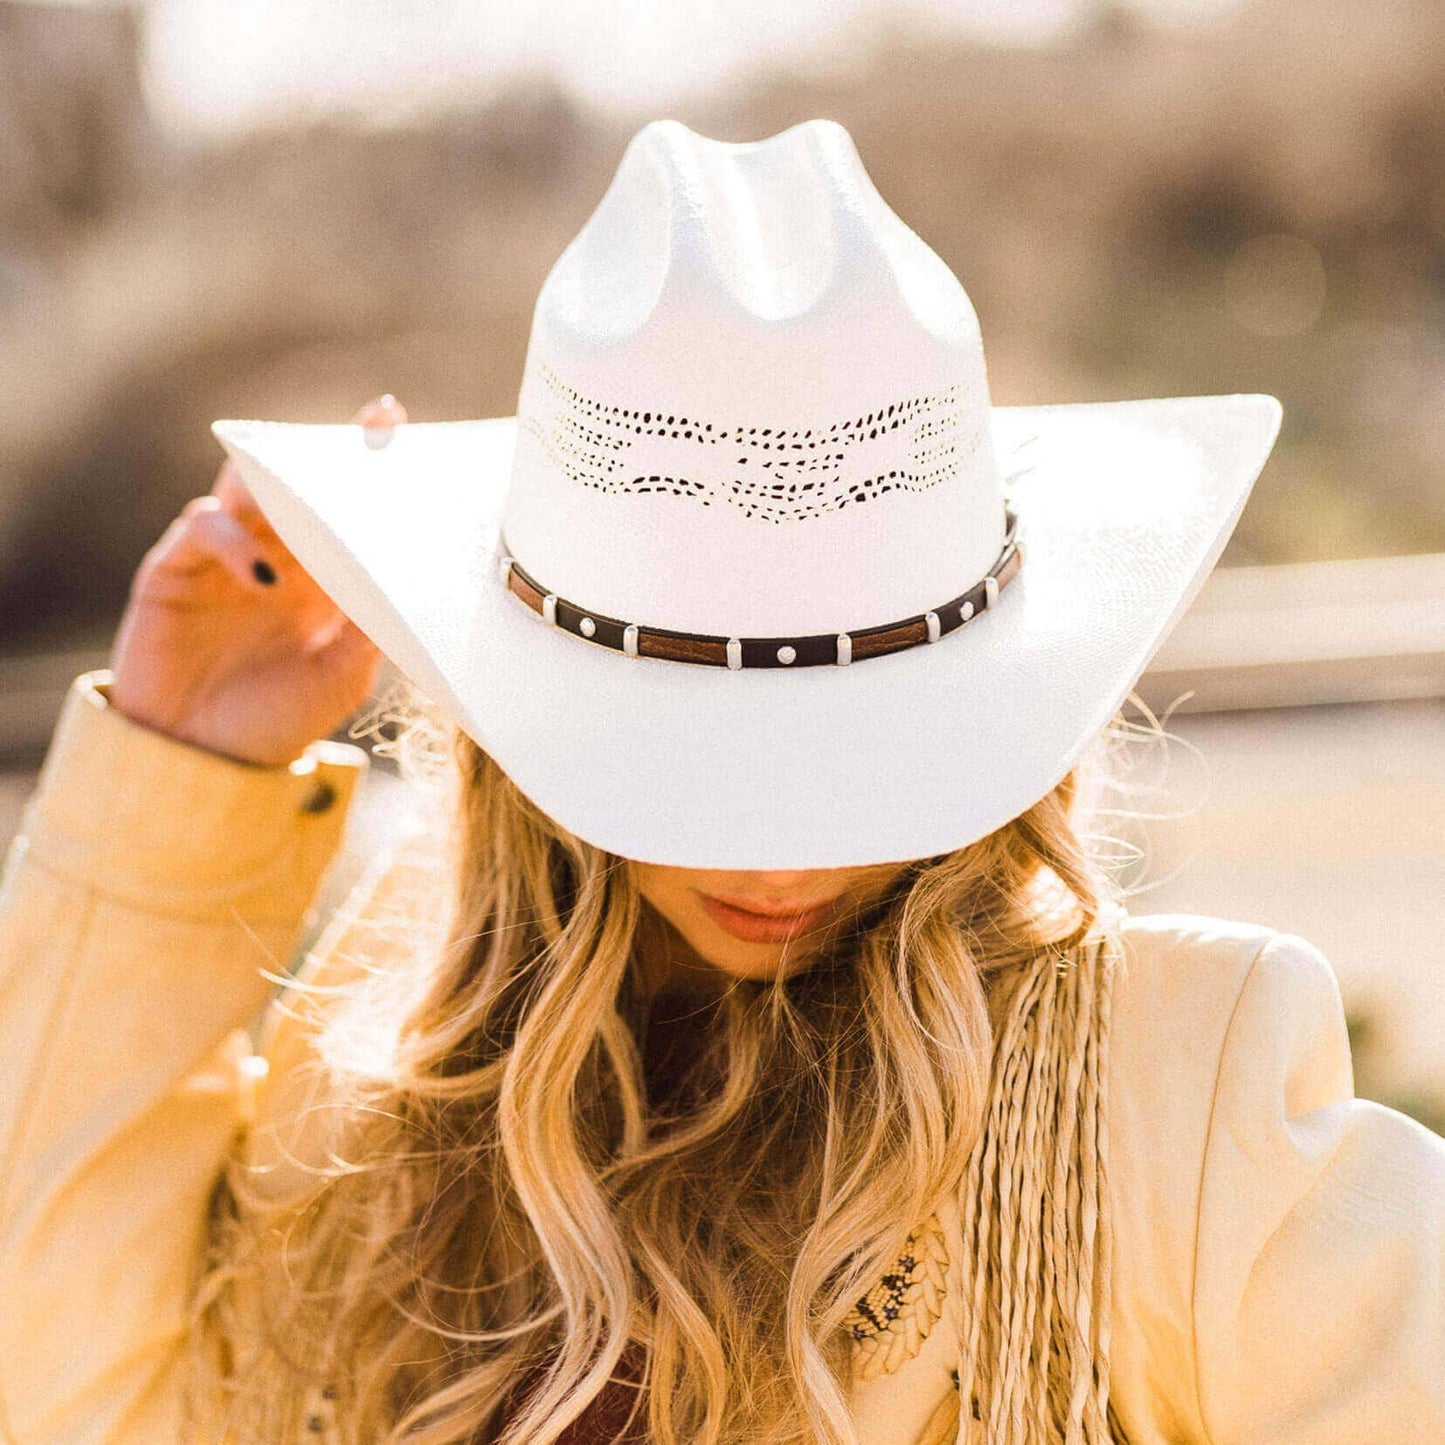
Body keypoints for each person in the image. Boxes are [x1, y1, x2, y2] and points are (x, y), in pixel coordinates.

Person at [0, 118, 1441, 1445]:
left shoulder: (1170, 1085)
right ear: (521, 731)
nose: (779, 863)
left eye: (867, 762)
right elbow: (71, 1402)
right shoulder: (382, 1077)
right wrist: (180, 771)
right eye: (682, 769)